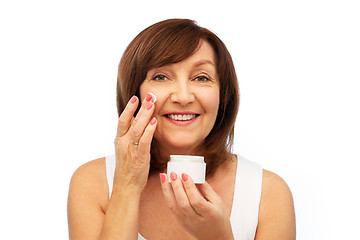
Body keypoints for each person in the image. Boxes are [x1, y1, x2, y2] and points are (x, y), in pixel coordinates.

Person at [67, 19, 296, 240]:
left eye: (201, 77)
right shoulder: (93, 183)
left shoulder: (267, 193)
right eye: (160, 76)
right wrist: (126, 184)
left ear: (222, 95)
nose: (183, 97)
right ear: (133, 94)